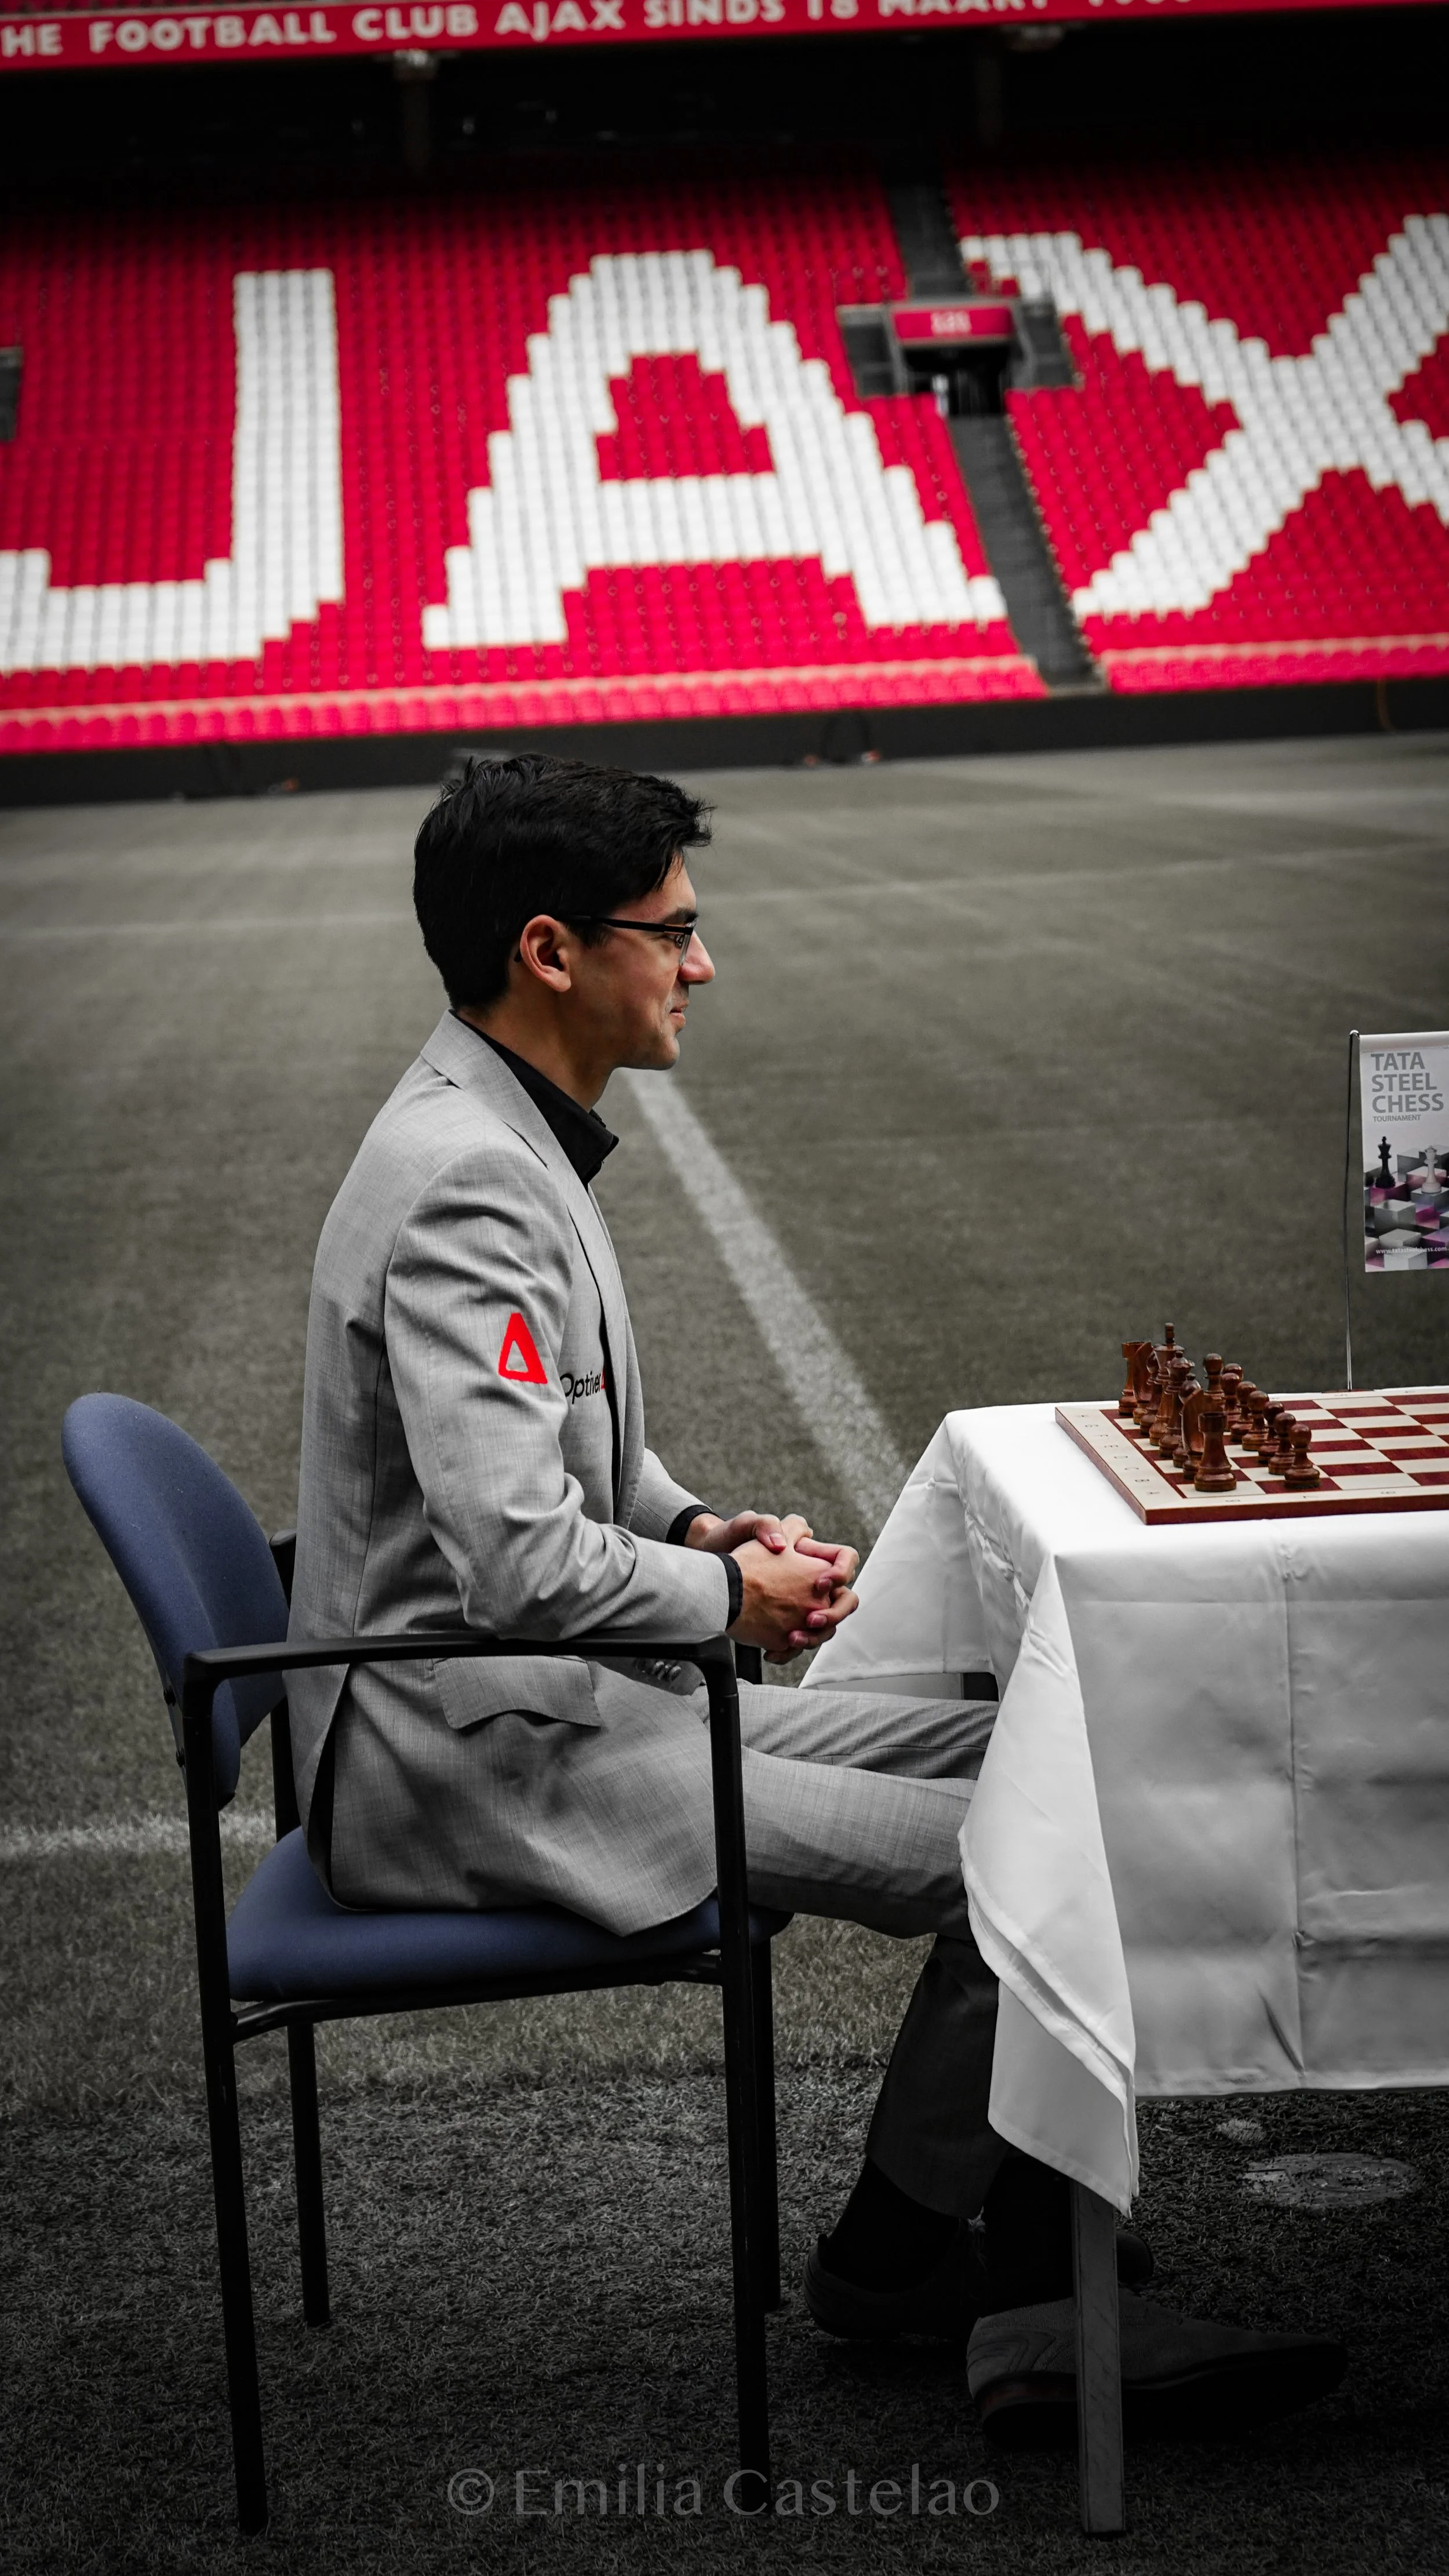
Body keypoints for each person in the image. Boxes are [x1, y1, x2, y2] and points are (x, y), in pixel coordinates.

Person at [287, 753, 1344, 2448]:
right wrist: (724, 1601)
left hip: (534, 1702)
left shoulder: (492, 1122)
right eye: (673, 934)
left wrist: (704, 1523)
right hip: (480, 1755)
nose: (701, 965)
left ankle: (901, 2253)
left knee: (1044, 1752)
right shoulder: (472, 1179)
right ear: (550, 951)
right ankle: (1034, 2310)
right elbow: (510, 1560)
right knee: (1051, 1850)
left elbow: (561, 1462)